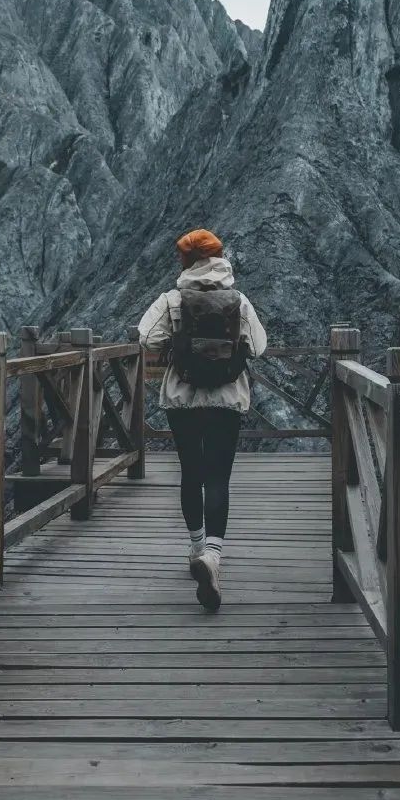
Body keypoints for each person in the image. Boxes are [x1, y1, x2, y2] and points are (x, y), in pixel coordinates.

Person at [137, 228, 267, 611]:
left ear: (185, 260)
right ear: (219, 256)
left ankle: (196, 547)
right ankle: (213, 554)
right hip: (227, 399)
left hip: (183, 398)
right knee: (218, 477)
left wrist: (177, 345)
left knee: (191, 473)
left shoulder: (172, 300)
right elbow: (258, 347)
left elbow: (145, 338)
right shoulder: (239, 301)